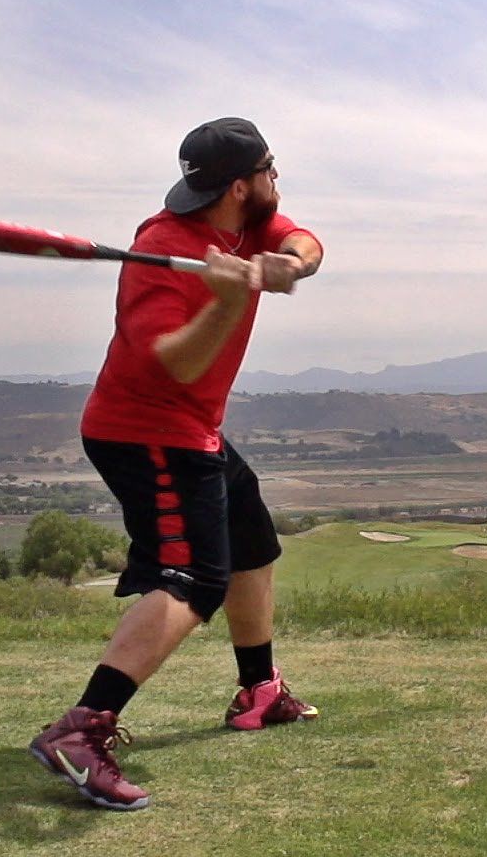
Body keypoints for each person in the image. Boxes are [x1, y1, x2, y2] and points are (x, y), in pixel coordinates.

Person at [28, 116, 324, 811]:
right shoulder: (159, 251)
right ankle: (81, 729)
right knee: (193, 578)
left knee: (250, 534)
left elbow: (307, 243)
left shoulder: (249, 224)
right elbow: (180, 362)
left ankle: (261, 689)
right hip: (144, 431)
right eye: (272, 169)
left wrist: (291, 263)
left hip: (195, 429)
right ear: (242, 185)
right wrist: (230, 299)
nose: (278, 181)